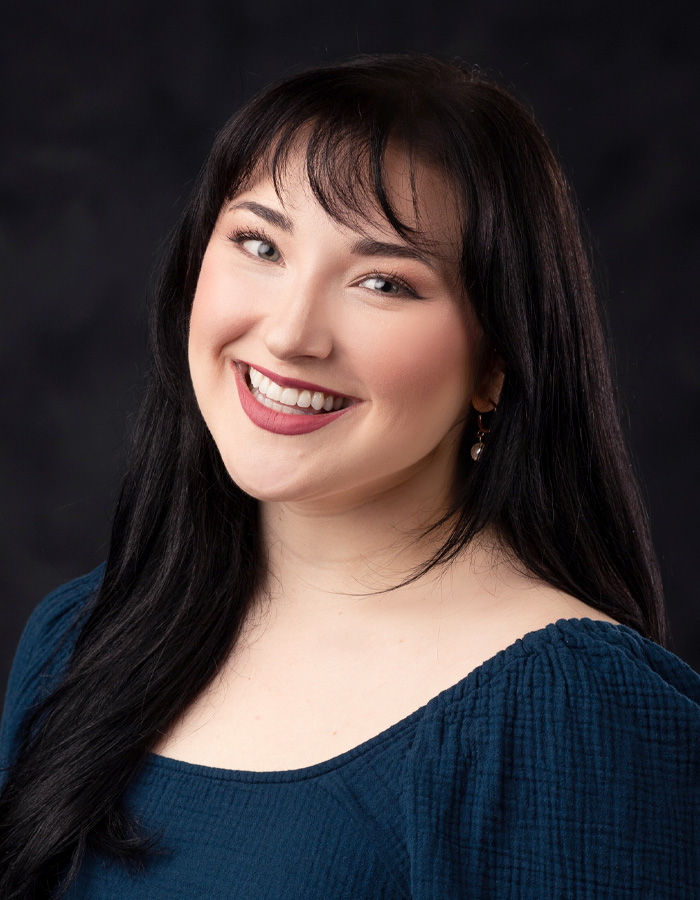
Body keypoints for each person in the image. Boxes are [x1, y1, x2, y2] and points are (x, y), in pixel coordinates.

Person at [0, 53, 698, 898]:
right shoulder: (79, 639)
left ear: (497, 364)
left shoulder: (573, 716)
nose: (292, 333)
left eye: (383, 281)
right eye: (259, 243)